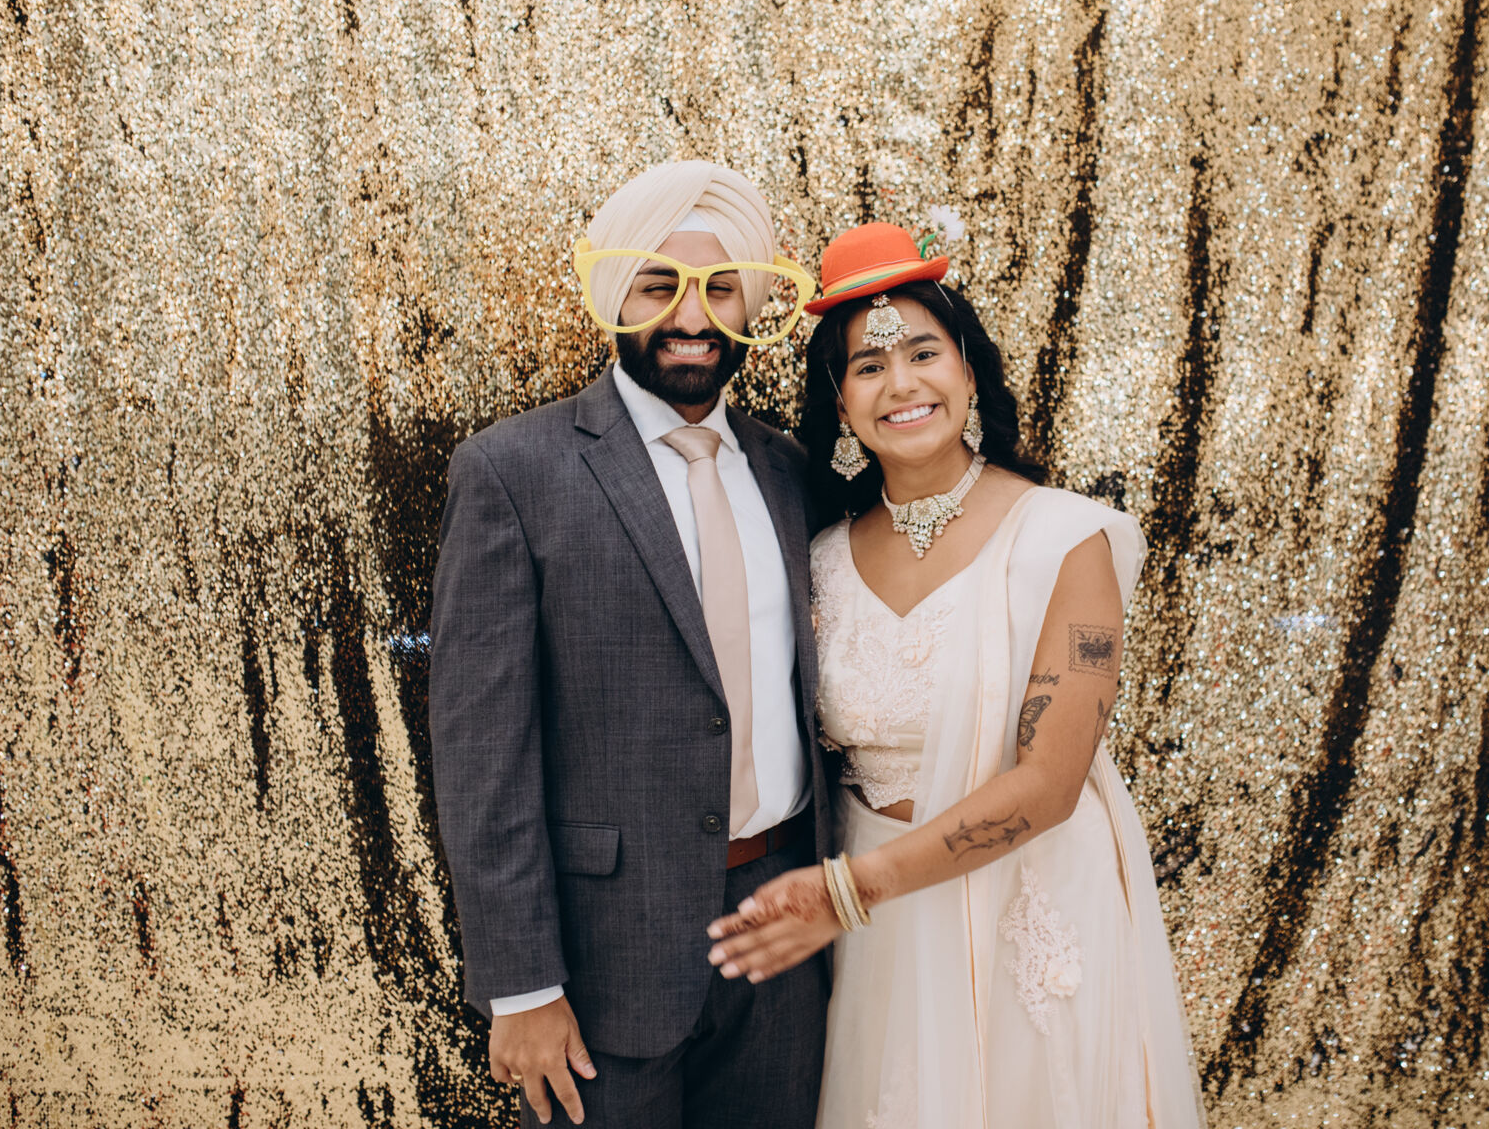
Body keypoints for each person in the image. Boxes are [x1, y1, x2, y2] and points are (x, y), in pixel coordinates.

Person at [706, 222, 1208, 1128]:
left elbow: (1050, 785)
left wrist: (852, 890)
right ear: (841, 403)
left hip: (1025, 901)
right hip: (875, 929)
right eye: (868, 366)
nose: (901, 384)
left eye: (924, 353)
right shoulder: (818, 560)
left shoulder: (1066, 539)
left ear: (970, 373)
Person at [430, 161, 833, 1128]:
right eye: (659, 286)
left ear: (750, 305)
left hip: (785, 934)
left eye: (721, 289)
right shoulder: (512, 471)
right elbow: (482, 754)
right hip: (602, 960)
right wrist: (522, 985)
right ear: (616, 296)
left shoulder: (789, 472)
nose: (693, 317)